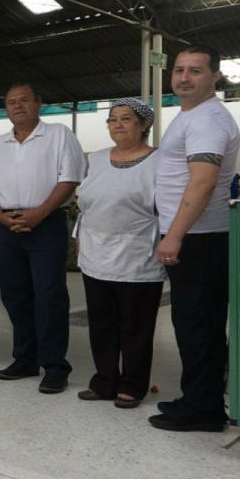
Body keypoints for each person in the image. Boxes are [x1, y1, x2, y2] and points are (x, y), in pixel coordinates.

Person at [149, 45, 240, 432]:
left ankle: (203, 412)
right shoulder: (192, 115)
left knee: (198, 325)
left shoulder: (207, 119)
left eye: (196, 71)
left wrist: (174, 235)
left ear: (215, 76)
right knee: (193, 325)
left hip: (199, 238)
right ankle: (197, 398)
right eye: (179, 70)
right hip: (196, 236)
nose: (184, 77)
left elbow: (202, 182)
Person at [0, 82, 84, 394]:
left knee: (49, 295)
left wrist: (38, 213)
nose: (17, 105)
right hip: (6, 225)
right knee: (14, 294)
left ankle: (54, 365)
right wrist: (0, 216)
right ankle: (25, 358)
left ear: (39, 103)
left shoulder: (59, 135)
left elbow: (70, 178)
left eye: (24, 100)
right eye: (11, 101)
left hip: (46, 223)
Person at [76, 99, 164, 408]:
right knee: (101, 323)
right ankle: (104, 381)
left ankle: (133, 385)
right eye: (112, 119)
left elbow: (166, 207)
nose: (118, 124)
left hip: (138, 255)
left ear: (143, 126)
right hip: (96, 254)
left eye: (126, 119)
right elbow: (84, 205)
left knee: (135, 326)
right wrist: (80, 239)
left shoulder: (159, 160)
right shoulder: (97, 159)